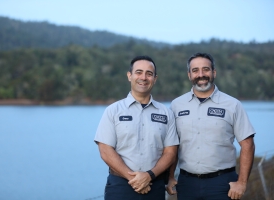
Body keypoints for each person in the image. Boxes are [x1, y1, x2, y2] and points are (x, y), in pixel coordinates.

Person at [166, 52, 255, 200]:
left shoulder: (232, 105)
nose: (201, 74)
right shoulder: (176, 105)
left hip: (223, 183)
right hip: (187, 183)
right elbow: (172, 146)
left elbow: (248, 145)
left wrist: (242, 182)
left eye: (205, 69)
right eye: (195, 70)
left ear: (214, 72)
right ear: (189, 75)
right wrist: (170, 177)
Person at [94, 55, 179, 200]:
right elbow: (105, 150)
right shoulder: (113, 111)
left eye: (149, 74)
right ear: (129, 76)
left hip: (155, 186)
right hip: (120, 187)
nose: (144, 77)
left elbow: (170, 152)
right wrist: (135, 179)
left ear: (155, 79)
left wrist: (149, 176)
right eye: (139, 72)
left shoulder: (166, 113)